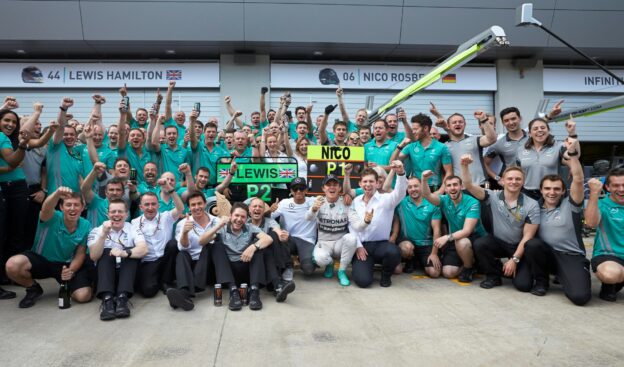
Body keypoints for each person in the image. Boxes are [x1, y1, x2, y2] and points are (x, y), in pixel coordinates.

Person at [522, 139, 591, 304]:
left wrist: (573, 155)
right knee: (532, 246)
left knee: (580, 297)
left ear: (562, 191)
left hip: (570, 256)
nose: (551, 192)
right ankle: (541, 281)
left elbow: (578, 180)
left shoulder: (571, 204)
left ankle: (572, 273)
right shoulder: (534, 207)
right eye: (547, 188)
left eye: (556, 189)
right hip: (547, 256)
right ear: (541, 190)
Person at [461, 155, 541, 291]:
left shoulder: (532, 204)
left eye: (518, 179)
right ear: (502, 181)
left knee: (523, 285)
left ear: (523, 181)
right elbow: (468, 185)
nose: (513, 182)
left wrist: (514, 260)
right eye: (510, 179)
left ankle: (517, 268)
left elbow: (528, 237)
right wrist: (464, 165)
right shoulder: (492, 196)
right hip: (499, 242)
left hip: (518, 246)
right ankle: (493, 276)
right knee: (480, 243)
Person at [5, 187, 93, 308]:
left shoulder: (86, 224)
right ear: (61, 207)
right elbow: (46, 207)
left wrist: (71, 271)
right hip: (41, 260)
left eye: (76, 205)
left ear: (82, 208)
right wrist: (57, 193)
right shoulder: (52, 217)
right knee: (12, 265)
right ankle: (33, 288)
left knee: (84, 296)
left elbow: (80, 253)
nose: (72, 208)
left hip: (64, 265)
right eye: (68, 205)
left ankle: (69, 287)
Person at [166, 192, 229, 311]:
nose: (197, 207)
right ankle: (184, 294)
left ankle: (189, 290)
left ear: (205, 204)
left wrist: (220, 225)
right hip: (192, 265)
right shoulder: (182, 224)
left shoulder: (216, 221)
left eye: (199, 203)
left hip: (209, 267)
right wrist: (184, 232)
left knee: (208, 246)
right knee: (181, 254)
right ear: (189, 207)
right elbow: (182, 247)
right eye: (193, 205)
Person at [88, 199, 148, 321]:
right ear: (108, 214)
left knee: (131, 251)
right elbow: (93, 256)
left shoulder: (133, 228)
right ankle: (107, 300)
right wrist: (104, 235)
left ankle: (122, 299)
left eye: (120, 211)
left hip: (127, 276)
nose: (116, 215)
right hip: (105, 275)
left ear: (126, 214)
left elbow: (143, 249)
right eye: (113, 211)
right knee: (105, 251)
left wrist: (124, 253)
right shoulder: (97, 230)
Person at [350, 161, 407, 288]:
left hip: (381, 245)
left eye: (371, 181)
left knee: (394, 252)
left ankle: (386, 275)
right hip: (362, 247)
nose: (368, 184)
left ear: (378, 183)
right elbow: (352, 226)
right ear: (360, 184)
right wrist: (358, 246)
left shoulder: (386, 199)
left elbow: (400, 192)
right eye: (365, 182)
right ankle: (364, 268)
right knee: (363, 282)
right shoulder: (356, 201)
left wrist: (401, 173)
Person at [422, 172, 486, 282]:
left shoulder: (472, 202)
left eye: (455, 185)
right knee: (448, 272)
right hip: (455, 238)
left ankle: (468, 268)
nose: (452, 188)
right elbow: (427, 195)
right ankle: (474, 263)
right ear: (445, 189)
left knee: (462, 242)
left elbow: (467, 231)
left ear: (461, 186)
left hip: (475, 239)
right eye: (449, 185)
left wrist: (446, 237)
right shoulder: (444, 200)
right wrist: (423, 180)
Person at [306, 175, 366, 286]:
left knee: (352, 238)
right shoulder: (318, 201)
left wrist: (366, 221)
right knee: (320, 259)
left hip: (340, 243)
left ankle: (342, 271)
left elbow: (357, 226)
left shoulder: (346, 202)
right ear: (323, 188)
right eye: (328, 185)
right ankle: (330, 263)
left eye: (335, 185)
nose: (331, 187)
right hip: (324, 243)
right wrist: (313, 209)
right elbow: (308, 218)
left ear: (339, 188)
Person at [212, 203, 273, 310]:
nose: (239, 219)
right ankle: (233, 292)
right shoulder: (222, 228)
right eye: (236, 215)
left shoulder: (250, 228)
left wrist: (253, 247)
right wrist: (218, 225)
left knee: (259, 248)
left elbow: (268, 239)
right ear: (230, 216)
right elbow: (202, 241)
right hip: (228, 273)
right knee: (216, 246)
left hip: (246, 270)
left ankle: (254, 292)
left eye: (243, 217)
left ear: (246, 219)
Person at [131, 189, 184, 298]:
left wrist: (171, 190)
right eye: (146, 204)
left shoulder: (166, 217)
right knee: (148, 291)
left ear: (158, 205)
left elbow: (180, 208)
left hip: (167, 259)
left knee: (173, 244)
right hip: (149, 261)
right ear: (141, 207)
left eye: (153, 204)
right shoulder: (135, 222)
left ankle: (166, 282)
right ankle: (159, 279)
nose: (150, 207)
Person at [585, 168, 624, 302]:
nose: (621, 189)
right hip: (609, 256)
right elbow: (590, 223)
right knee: (610, 274)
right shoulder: (602, 204)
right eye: (616, 185)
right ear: (607, 187)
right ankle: (610, 285)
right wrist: (594, 193)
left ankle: (615, 285)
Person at [391, 177, 442, 277]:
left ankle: (418, 262)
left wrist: (434, 253)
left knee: (435, 273)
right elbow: (386, 188)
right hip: (407, 242)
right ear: (406, 189)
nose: (413, 189)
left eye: (416, 186)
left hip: (426, 244)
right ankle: (410, 260)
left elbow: (437, 230)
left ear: (422, 187)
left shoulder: (433, 204)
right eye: (410, 187)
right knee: (407, 248)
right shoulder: (401, 203)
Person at [516, 117, 577, 200]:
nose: (539, 130)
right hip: (528, 194)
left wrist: (572, 133)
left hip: (552, 192)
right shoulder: (521, 149)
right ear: (530, 133)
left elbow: (573, 155)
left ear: (548, 131)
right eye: (535, 128)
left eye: (543, 127)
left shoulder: (558, 146)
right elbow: (518, 172)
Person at [247, 197, 295, 302]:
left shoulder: (269, 221)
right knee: (260, 245)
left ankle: (277, 285)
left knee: (274, 235)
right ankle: (277, 284)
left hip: (269, 261)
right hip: (253, 262)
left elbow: (276, 229)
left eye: (260, 206)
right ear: (249, 209)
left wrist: (281, 235)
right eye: (254, 206)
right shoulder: (245, 223)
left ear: (264, 210)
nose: (257, 208)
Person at [392, 113, 452, 194]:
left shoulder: (442, 147)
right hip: (416, 188)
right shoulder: (411, 147)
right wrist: (400, 146)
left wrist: (441, 191)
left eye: (415, 129)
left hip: (434, 188)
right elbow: (393, 162)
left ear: (425, 128)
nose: (413, 132)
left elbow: (449, 172)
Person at [270, 177, 318, 279]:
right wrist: (269, 210)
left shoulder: (314, 201)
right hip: (289, 239)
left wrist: (347, 195)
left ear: (306, 190)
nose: (298, 191)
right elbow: (268, 219)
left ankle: (303, 258)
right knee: (275, 235)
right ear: (291, 191)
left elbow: (331, 197)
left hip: (307, 240)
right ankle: (288, 266)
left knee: (308, 270)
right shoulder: (284, 203)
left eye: (301, 188)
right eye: (295, 189)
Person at [440, 110, 497, 186]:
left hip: (480, 185)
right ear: (448, 126)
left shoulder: (475, 139)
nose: (458, 124)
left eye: (460, 122)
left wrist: (483, 119)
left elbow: (492, 139)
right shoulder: (444, 146)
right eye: (454, 122)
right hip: (458, 188)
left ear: (465, 124)